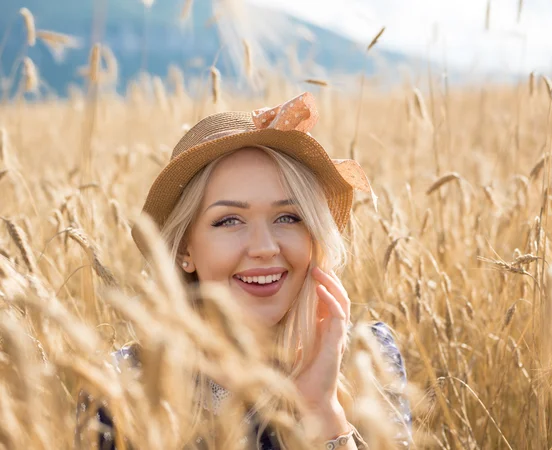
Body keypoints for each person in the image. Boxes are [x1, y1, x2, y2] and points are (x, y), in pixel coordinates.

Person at [74, 92, 411, 449]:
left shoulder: (368, 360)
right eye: (229, 220)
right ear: (185, 249)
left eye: (288, 217)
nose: (265, 247)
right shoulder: (120, 387)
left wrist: (323, 412)